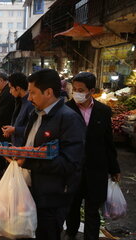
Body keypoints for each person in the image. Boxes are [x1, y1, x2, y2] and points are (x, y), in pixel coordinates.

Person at [16, 69, 85, 240]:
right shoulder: (35, 114)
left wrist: (28, 162)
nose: (29, 98)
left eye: (32, 93)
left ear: (48, 92)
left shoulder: (69, 119)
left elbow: (70, 164)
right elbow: (31, 146)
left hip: (51, 198)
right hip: (29, 190)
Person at [65, 72, 121, 240]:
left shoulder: (103, 111)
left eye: (81, 89)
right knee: (72, 208)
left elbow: (108, 142)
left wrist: (114, 168)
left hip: (96, 170)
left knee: (92, 211)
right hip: (73, 169)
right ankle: (71, 233)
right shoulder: (66, 109)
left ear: (92, 91)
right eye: (74, 89)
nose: (76, 93)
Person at [1, 72, 34, 147]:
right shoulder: (19, 101)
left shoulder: (30, 104)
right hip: (17, 146)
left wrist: (14, 130)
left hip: (25, 148)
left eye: (11, 88)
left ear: (18, 88)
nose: (10, 91)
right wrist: (12, 129)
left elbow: (33, 129)